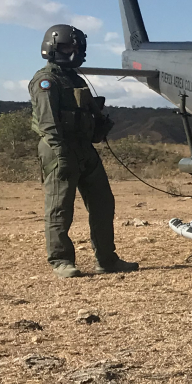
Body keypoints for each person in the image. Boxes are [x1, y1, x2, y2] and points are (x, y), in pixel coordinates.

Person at [29, 25, 139, 278]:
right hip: (59, 148)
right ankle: (61, 261)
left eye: (78, 47)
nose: (75, 51)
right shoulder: (46, 80)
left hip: (84, 148)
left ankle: (107, 259)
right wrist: (60, 153)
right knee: (59, 207)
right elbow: (48, 123)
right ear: (53, 47)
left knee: (103, 203)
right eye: (69, 46)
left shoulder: (76, 79)